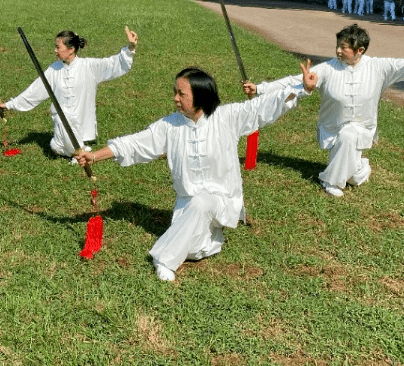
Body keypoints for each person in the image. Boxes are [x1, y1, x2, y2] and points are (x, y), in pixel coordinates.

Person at [76, 63, 317, 281]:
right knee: (195, 251)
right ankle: (206, 238)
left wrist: (302, 88)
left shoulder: (227, 117)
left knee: (202, 205)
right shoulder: (169, 125)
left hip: (222, 200)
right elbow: (135, 143)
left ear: (200, 97)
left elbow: (265, 105)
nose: (175, 98)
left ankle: (163, 260)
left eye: (182, 94)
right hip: (187, 204)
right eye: (176, 92)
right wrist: (94, 156)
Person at [245, 24, 404, 198]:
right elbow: (293, 82)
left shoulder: (379, 67)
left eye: (343, 48)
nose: (338, 52)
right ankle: (359, 168)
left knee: (350, 135)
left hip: (361, 127)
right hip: (332, 128)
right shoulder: (328, 68)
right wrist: (261, 88)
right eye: (337, 46)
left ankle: (329, 181)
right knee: (354, 176)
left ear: (360, 50)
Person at [0, 27, 138, 158]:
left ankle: (79, 150)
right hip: (60, 123)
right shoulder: (53, 69)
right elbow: (34, 91)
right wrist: (9, 105)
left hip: (80, 122)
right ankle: (80, 151)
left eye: (58, 47)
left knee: (64, 130)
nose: (55, 51)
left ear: (71, 49)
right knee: (55, 147)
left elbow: (114, 63)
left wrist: (131, 47)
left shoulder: (89, 66)